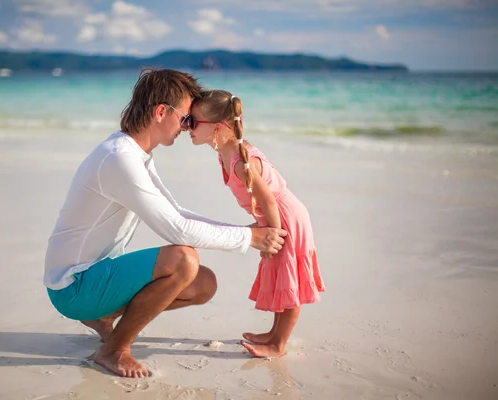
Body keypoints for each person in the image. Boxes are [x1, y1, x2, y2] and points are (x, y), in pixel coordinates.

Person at [43, 69, 287, 378]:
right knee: (183, 260)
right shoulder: (119, 158)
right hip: (73, 286)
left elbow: (177, 212)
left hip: (91, 276)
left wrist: (249, 232)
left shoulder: (136, 154)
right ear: (161, 112)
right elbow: (176, 230)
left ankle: (102, 316)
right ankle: (113, 350)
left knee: (202, 283)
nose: (187, 128)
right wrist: (249, 238)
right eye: (185, 118)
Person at [188, 90, 326, 358]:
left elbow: (271, 201)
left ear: (217, 128)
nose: (186, 128)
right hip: (275, 218)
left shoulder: (241, 162)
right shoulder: (226, 153)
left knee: (289, 279)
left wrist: (271, 235)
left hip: (286, 219)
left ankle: (278, 344)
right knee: (277, 276)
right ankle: (274, 333)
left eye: (192, 122)